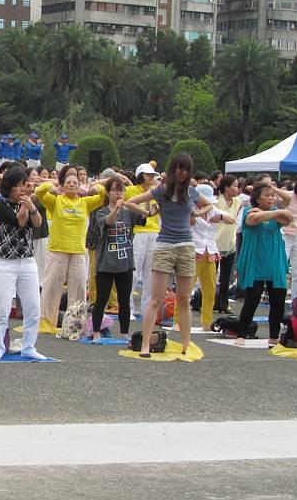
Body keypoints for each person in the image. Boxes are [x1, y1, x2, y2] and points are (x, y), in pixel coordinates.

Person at [126, 153, 214, 356]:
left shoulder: (191, 192)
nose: (182, 173)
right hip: (164, 244)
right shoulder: (162, 190)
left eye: (186, 169)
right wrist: (147, 213)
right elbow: (132, 201)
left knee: (184, 298)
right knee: (156, 298)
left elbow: (209, 204)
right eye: (179, 168)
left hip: (186, 246)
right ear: (173, 169)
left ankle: (185, 344)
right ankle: (146, 344)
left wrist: (197, 212)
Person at [35, 167, 106, 333]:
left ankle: (75, 324)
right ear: (63, 185)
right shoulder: (56, 201)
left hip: (78, 251)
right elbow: (39, 192)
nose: (72, 185)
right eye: (69, 182)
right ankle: (47, 321)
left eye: (75, 182)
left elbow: (103, 197)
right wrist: (50, 186)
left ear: (80, 185)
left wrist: (96, 187)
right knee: (51, 287)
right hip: (57, 250)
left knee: (79, 288)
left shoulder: (85, 203)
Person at [0, 165, 46, 360]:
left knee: (33, 307)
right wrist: (25, 205)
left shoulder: (29, 203)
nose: (23, 189)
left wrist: (32, 207)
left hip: (27, 260)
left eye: (24, 185)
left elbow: (37, 223)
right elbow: (19, 222)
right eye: (18, 186)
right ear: (10, 187)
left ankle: (29, 346)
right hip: (5, 261)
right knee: (2, 307)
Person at [233, 181, 293, 346]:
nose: (271, 198)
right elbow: (254, 219)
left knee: (278, 300)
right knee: (252, 299)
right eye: (266, 195)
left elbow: (289, 218)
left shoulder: (276, 213)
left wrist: (274, 210)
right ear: (257, 199)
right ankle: (241, 334)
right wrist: (275, 212)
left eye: (272, 195)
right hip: (256, 261)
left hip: (274, 260)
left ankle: (273, 336)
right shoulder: (247, 211)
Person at [89, 176, 149, 342]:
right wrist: (116, 208)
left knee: (124, 299)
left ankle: (124, 332)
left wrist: (149, 198)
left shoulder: (129, 212)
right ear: (108, 193)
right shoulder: (101, 211)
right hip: (106, 263)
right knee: (102, 299)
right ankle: (96, 332)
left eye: (121, 190)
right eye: (115, 190)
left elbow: (146, 216)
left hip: (125, 262)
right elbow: (107, 222)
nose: (118, 193)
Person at [192, 183, 235, 331]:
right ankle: (178, 320)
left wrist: (220, 216)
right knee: (186, 289)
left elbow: (231, 220)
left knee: (209, 288)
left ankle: (207, 322)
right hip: (194, 250)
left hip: (209, 250)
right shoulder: (190, 208)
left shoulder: (213, 209)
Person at [125, 163, 160, 319]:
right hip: (137, 232)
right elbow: (126, 205)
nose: (151, 177)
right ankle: (129, 308)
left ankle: (147, 309)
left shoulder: (156, 192)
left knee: (150, 275)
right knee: (134, 272)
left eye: (152, 175)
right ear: (140, 175)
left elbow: (155, 212)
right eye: (148, 175)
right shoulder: (131, 190)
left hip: (154, 233)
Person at [214, 175, 243, 313]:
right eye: (235, 186)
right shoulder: (216, 199)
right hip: (214, 242)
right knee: (211, 276)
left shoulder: (238, 201)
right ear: (226, 187)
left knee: (226, 277)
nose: (237, 189)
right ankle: (209, 302)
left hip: (230, 242)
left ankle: (223, 304)